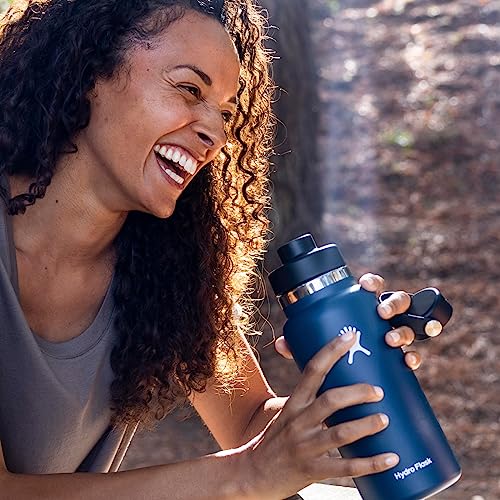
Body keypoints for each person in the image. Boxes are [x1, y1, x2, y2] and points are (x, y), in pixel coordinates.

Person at [0, 0, 422, 498]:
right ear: (90, 70)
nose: (215, 133)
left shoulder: (160, 263)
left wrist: (351, 378)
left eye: (224, 112)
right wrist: (245, 475)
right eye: (188, 89)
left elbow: (247, 422)